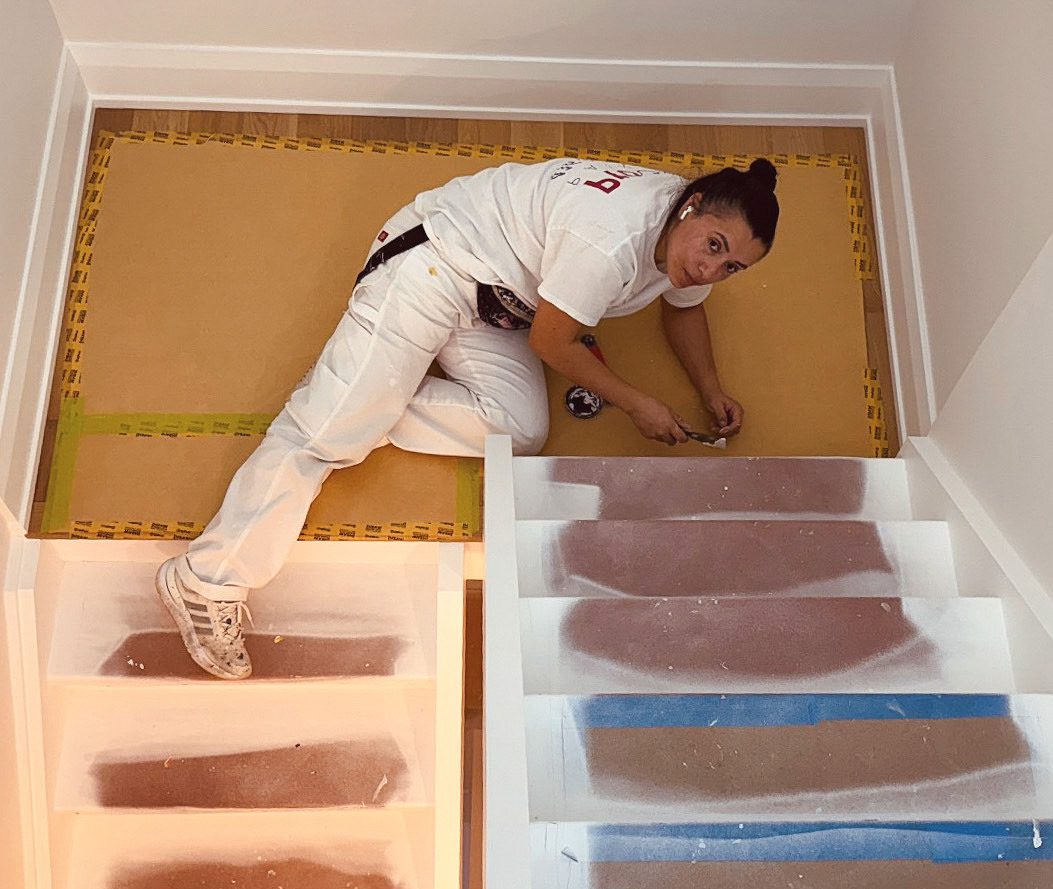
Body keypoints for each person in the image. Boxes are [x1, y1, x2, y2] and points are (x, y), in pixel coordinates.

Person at [156, 155, 780, 680]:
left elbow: (683, 309)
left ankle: (354, 394)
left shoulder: (685, 235)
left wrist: (709, 388)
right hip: (435, 266)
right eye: (714, 247)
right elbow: (555, 343)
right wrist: (635, 401)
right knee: (322, 442)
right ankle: (206, 578)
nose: (709, 268)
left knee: (520, 429)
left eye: (731, 267)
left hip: (502, 306)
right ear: (692, 205)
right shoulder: (611, 239)